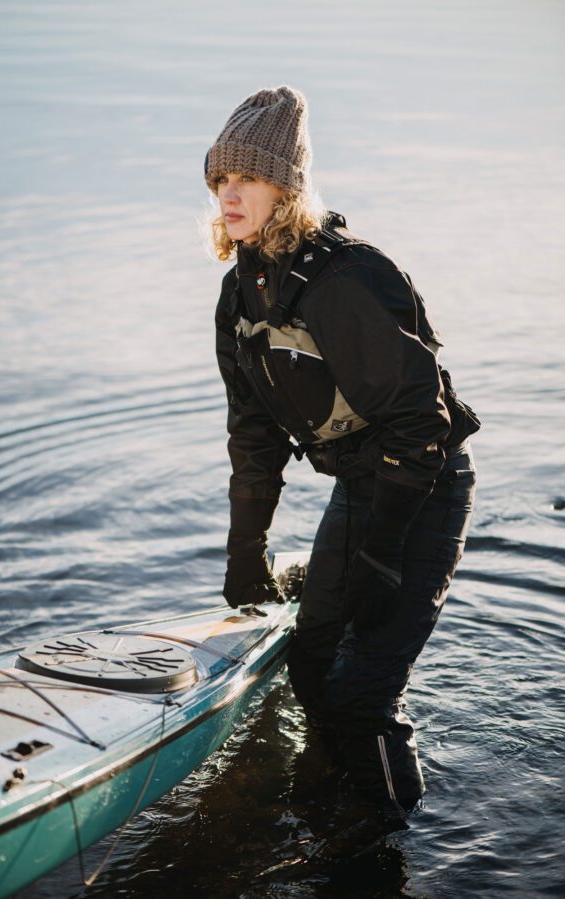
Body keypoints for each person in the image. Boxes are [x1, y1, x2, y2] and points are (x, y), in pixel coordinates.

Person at [205, 85, 479, 818]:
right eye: (220, 180)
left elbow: (422, 423)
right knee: (312, 660)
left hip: (424, 485)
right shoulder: (242, 297)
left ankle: (387, 849)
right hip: (362, 484)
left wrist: (383, 553)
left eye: (247, 179)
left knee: (362, 693)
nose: (229, 195)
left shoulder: (346, 280)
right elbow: (254, 439)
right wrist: (245, 552)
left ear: (285, 188)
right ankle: (330, 808)